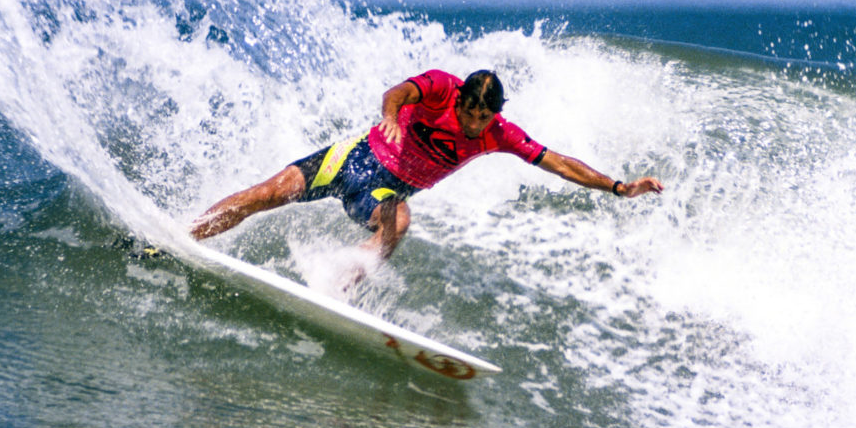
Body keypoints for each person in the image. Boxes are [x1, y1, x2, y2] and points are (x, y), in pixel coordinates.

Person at [189, 69, 664, 259]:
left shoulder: (499, 133)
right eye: (470, 114)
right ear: (459, 99)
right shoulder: (441, 87)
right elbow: (396, 93)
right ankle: (182, 237)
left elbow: (559, 163)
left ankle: (338, 285)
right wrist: (391, 116)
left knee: (400, 218)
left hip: (381, 192)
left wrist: (618, 187)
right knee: (265, 194)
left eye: (485, 117)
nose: (476, 124)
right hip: (350, 158)